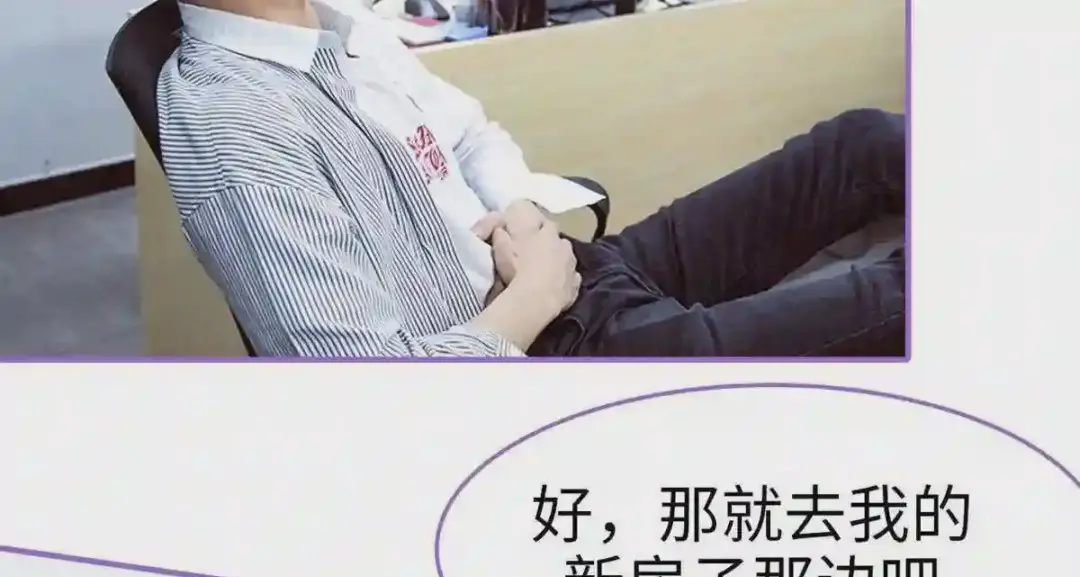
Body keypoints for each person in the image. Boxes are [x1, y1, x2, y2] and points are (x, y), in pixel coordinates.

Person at [156, 1, 906, 362]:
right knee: (902, 297)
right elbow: (381, 400)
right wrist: (536, 295)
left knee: (860, 143)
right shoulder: (235, 130)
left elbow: (471, 133)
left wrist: (522, 212)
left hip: (563, 272)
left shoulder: (338, 27)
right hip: (538, 352)